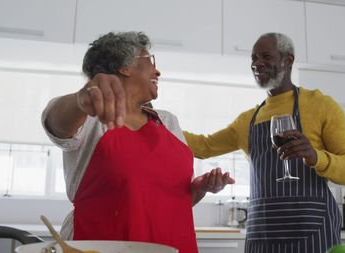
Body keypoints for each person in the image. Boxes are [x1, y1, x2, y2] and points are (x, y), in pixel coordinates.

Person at [41, 31, 234, 253]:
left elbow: (169, 203)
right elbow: (55, 124)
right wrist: (80, 99)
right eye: (150, 61)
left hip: (171, 245)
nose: (158, 70)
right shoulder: (91, 117)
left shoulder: (168, 122)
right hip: (100, 245)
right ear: (125, 67)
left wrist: (200, 188)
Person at [183, 33, 345, 252]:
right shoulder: (247, 120)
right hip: (263, 235)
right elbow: (204, 146)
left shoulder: (322, 105)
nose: (256, 63)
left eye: (266, 56)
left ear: (288, 60)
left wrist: (316, 157)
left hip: (314, 233)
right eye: (253, 58)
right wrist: (159, 122)